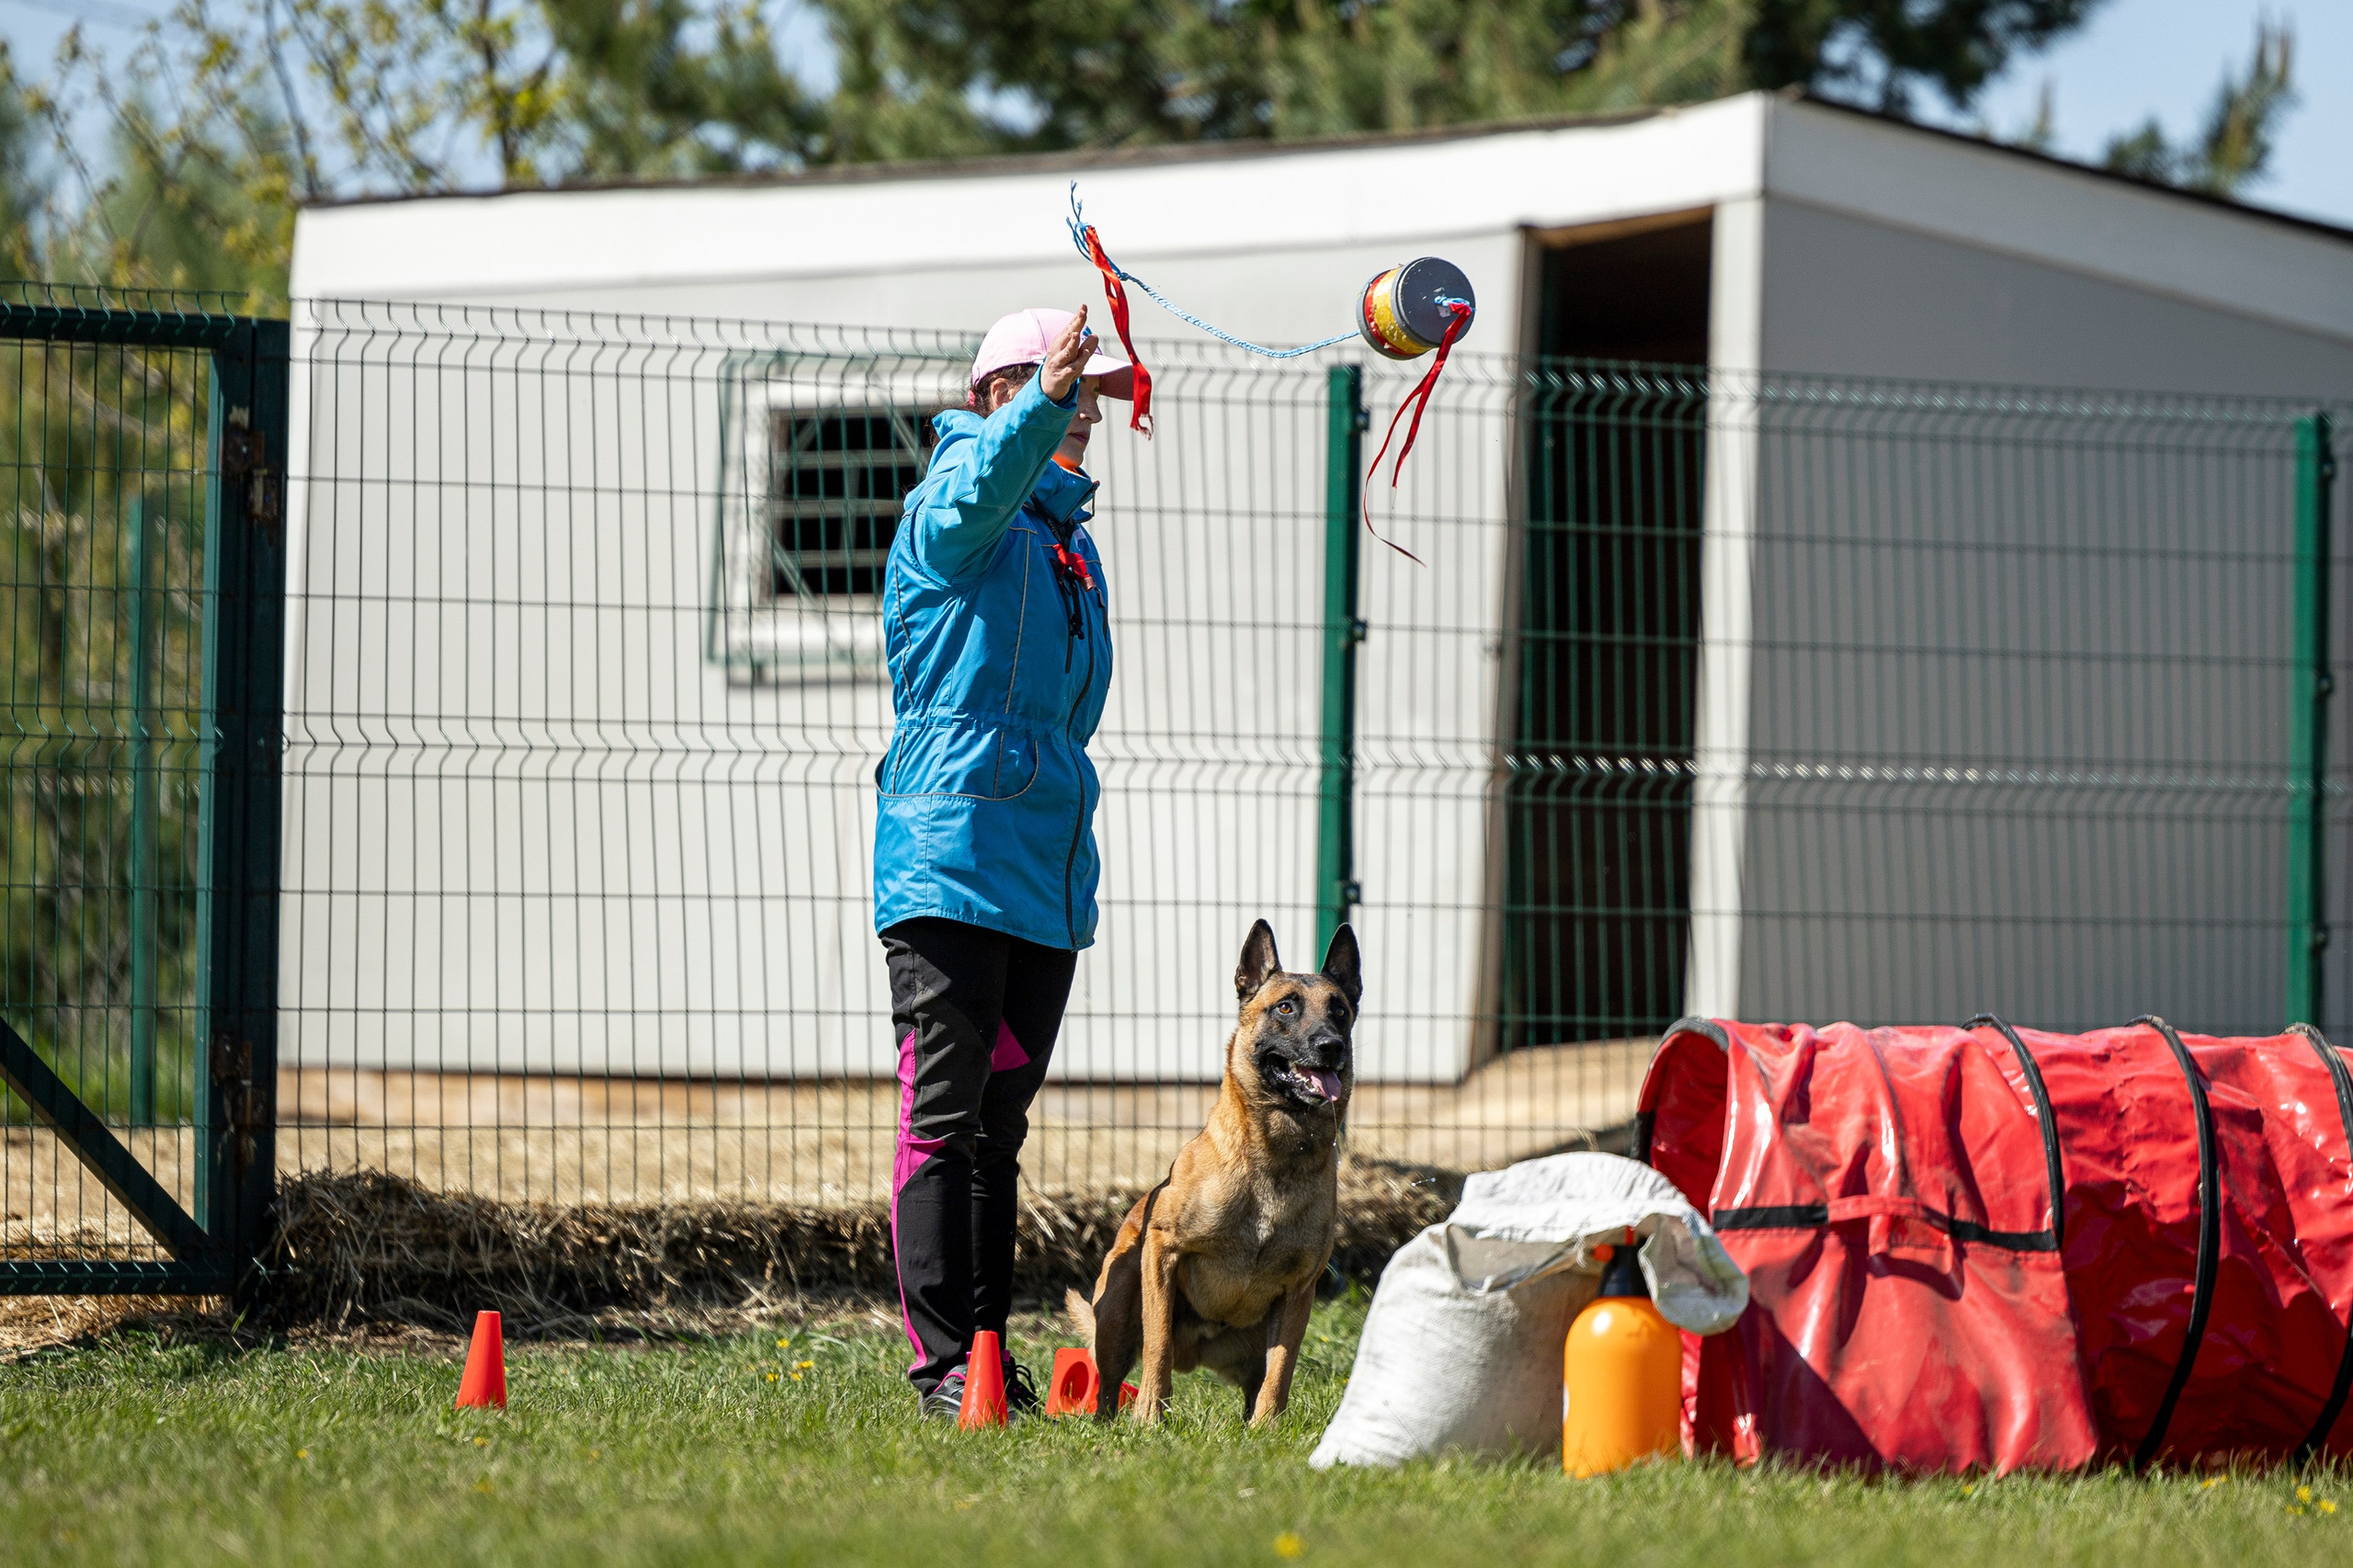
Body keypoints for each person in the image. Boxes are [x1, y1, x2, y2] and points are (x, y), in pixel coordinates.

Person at [875, 305, 1132, 1418]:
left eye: (1091, 395)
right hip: (950, 855)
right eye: (1067, 388)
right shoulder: (953, 509)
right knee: (943, 1114)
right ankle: (941, 1370)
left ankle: (988, 1361)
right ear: (1000, 394)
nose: (1087, 413)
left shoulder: (1072, 547)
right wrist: (1042, 403)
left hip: (1042, 870)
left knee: (999, 1126)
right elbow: (987, 485)